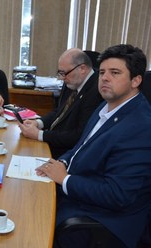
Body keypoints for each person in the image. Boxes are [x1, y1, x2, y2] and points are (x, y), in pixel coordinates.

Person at [35, 44, 151, 248]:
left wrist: (64, 179)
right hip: (79, 193)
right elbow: (80, 147)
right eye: (103, 72)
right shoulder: (106, 107)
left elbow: (117, 195)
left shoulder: (141, 127)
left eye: (115, 73)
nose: (105, 78)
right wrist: (60, 162)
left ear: (136, 80)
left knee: (31, 227)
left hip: (101, 220)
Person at [18, 48, 103, 158]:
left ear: (82, 68)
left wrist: (39, 134)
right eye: (60, 73)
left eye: (64, 73)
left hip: (66, 154)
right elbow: (59, 111)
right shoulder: (71, 81)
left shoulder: (96, 91)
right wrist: (38, 123)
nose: (62, 78)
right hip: (52, 142)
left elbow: (78, 135)